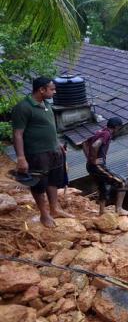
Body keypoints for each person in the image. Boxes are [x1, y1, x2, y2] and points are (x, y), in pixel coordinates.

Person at [11, 77, 73, 227]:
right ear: (41, 90)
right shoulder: (23, 107)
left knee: (53, 181)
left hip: (53, 151)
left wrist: (57, 144)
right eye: (52, 89)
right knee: (39, 184)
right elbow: (17, 134)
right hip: (37, 153)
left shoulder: (46, 104)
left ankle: (55, 209)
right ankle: (44, 215)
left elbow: (49, 127)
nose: (54, 92)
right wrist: (21, 157)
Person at [83, 117, 128, 215]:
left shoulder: (100, 131)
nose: (119, 130)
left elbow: (85, 143)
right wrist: (93, 159)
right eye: (119, 128)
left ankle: (102, 212)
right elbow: (95, 145)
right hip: (97, 166)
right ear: (116, 127)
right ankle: (119, 209)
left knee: (102, 187)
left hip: (90, 166)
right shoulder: (107, 134)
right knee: (123, 182)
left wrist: (89, 157)